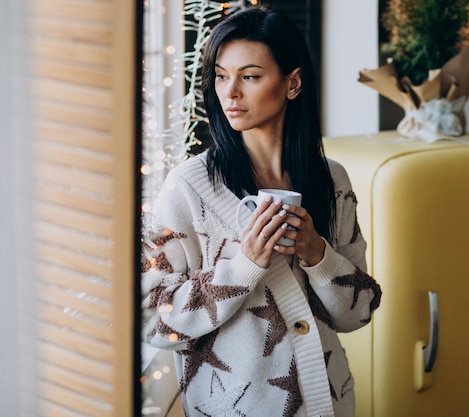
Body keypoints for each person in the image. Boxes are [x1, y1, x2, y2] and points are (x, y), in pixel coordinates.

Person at [141, 6, 382, 417]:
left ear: (292, 83)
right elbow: (152, 318)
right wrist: (243, 266)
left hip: (331, 405)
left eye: (249, 76)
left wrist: (317, 255)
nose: (229, 92)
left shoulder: (332, 181)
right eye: (221, 75)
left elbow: (360, 311)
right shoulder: (188, 187)